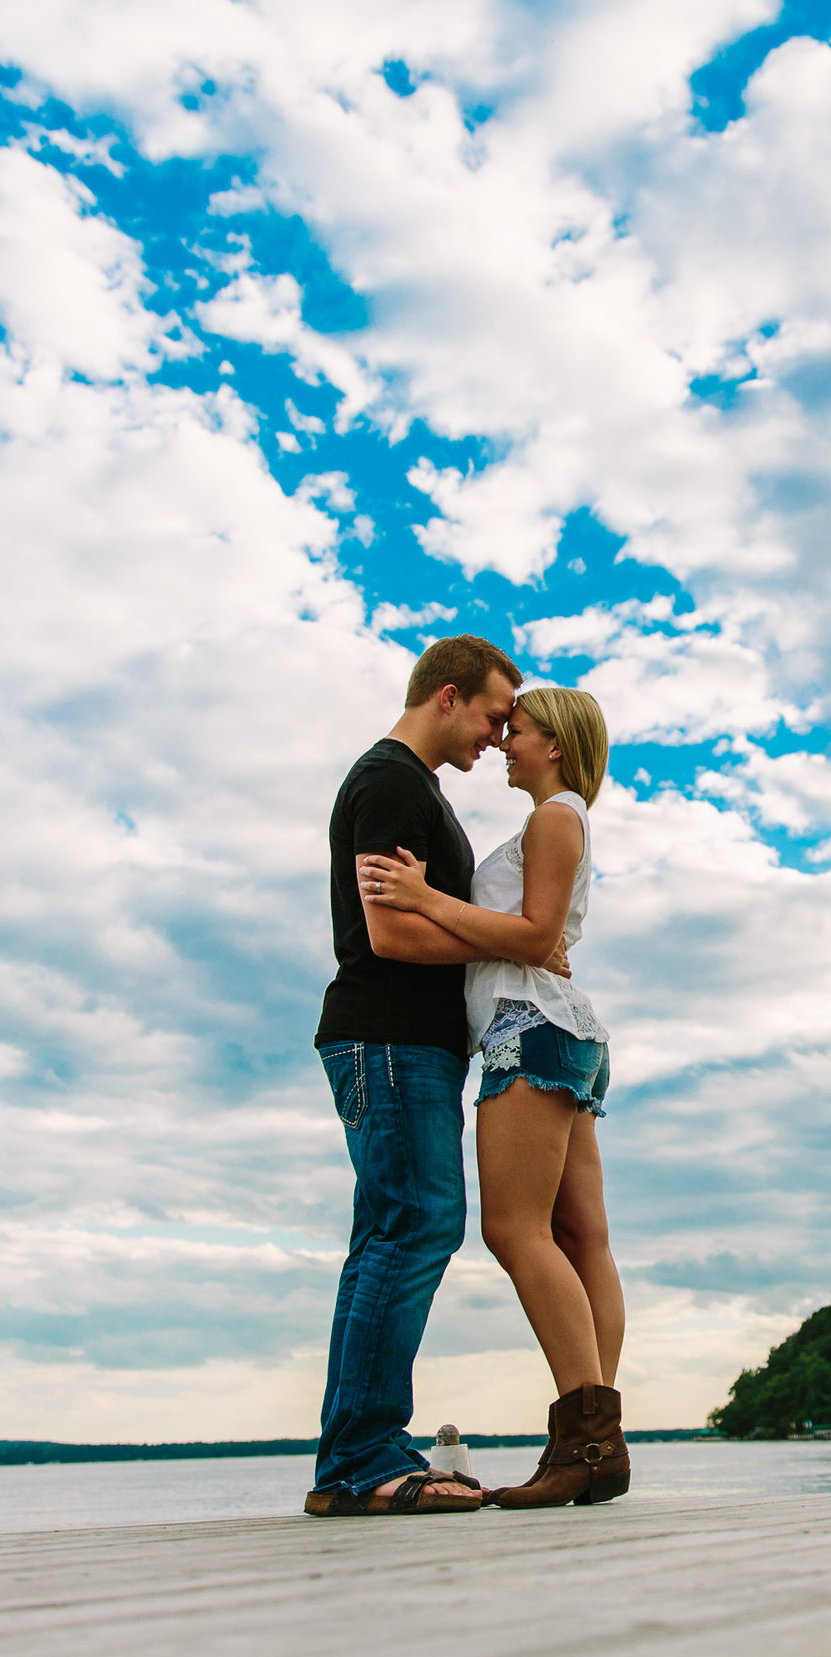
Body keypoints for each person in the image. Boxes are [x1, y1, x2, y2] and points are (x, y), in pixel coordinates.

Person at [304, 634, 565, 1518]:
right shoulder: (388, 782)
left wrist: (470, 922)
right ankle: (362, 1459)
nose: (498, 736)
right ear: (447, 695)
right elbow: (391, 933)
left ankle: (361, 1453)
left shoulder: (418, 792)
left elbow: (429, 919)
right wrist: (517, 939)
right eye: (494, 715)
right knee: (411, 1227)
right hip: (386, 1039)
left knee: (399, 1229)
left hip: (411, 1046)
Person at [358, 685, 626, 1508]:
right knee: (584, 1238)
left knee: (515, 1230)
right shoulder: (563, 817)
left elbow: (537, 935)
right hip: (561, 1026)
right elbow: (543, 937)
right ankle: (595, 1437)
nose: (505, 741)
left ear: (556, 744)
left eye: (521, 730)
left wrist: (427, 898)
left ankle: (587, 1440)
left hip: (527, 1028)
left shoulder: (554, 817)